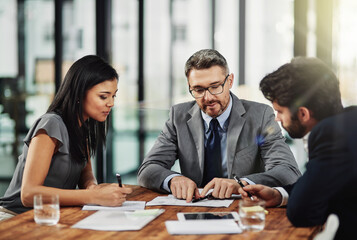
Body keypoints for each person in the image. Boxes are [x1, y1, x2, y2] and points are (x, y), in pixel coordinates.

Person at [137, 49, 301, 202]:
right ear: (190, 88)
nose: (208, 97)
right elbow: (148, 169)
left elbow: (288, 171)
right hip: (192, 208)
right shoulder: (178, 117)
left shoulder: (260, 116)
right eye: (198, 89)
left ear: (230, 81)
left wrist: (242, 184)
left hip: (244, 209)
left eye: (215, 87)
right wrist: (173, 179)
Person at [0, 55, 132, 221]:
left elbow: (86, 173)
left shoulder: (82, 127)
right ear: (79, 94)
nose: (111, 103)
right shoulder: (51, 124)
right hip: (14, 218)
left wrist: (92, 187)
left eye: (114, 96)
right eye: (103, 96)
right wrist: (93, 197)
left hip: (51, 217)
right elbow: (28, 194)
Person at [238, 57, 357, 240]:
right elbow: (320, 184)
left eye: (280, 111)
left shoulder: (330, 135)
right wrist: (279, 195)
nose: (277, 118)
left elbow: (302, 212)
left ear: (303, 114)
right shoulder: (349, 121)